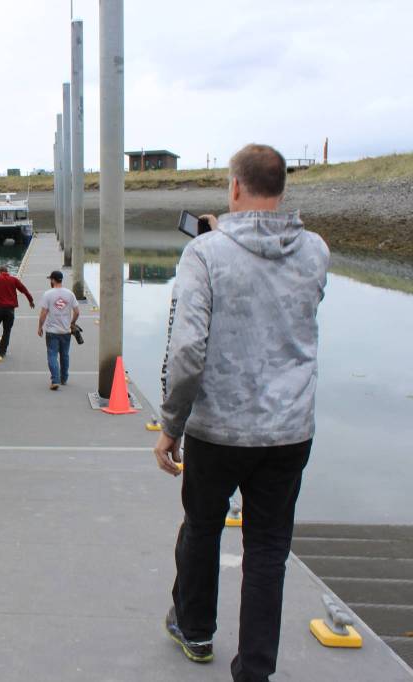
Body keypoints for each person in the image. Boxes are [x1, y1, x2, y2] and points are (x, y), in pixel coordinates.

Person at [153, 143, 329, 682]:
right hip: (288, 429)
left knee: (202, 529)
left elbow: (187, 352)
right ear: (282, 188)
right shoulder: (316, 250)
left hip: (219, 429)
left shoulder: (204, 255)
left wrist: (170, 427)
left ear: (234, 187)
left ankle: (196, 630)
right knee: (268, 549)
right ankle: (254, 670)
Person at [37, 270, 79, 390]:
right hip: (66, 331)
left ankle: (55, 380)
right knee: (65, 355)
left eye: (50, 279)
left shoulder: (48, 294)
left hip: (52, 331)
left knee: (52, 355)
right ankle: (64, 379)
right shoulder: (70, 294)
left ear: (53, 280)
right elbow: (77, 312)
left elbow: (43, 314)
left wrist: (40, 327)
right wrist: (72, 323)